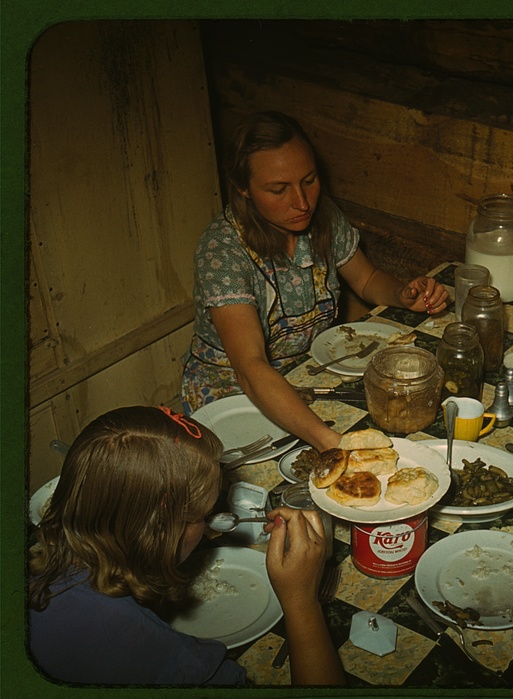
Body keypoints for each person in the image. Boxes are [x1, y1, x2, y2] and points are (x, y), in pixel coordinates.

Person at [181, 111, 449, 451]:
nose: (302, 202)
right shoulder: (222, 252)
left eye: (309, 180)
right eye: (279, 189)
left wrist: (402, 293)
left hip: (307, 371)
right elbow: (250, 368)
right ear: (242, 189)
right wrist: (328, 441)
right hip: (233, 392)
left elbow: (366, 280)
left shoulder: (322, 216)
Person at [28, 406, 345, 686]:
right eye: (203, 517)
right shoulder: (134, 644)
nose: (209, 530)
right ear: (159, 534)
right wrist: (301, 603)